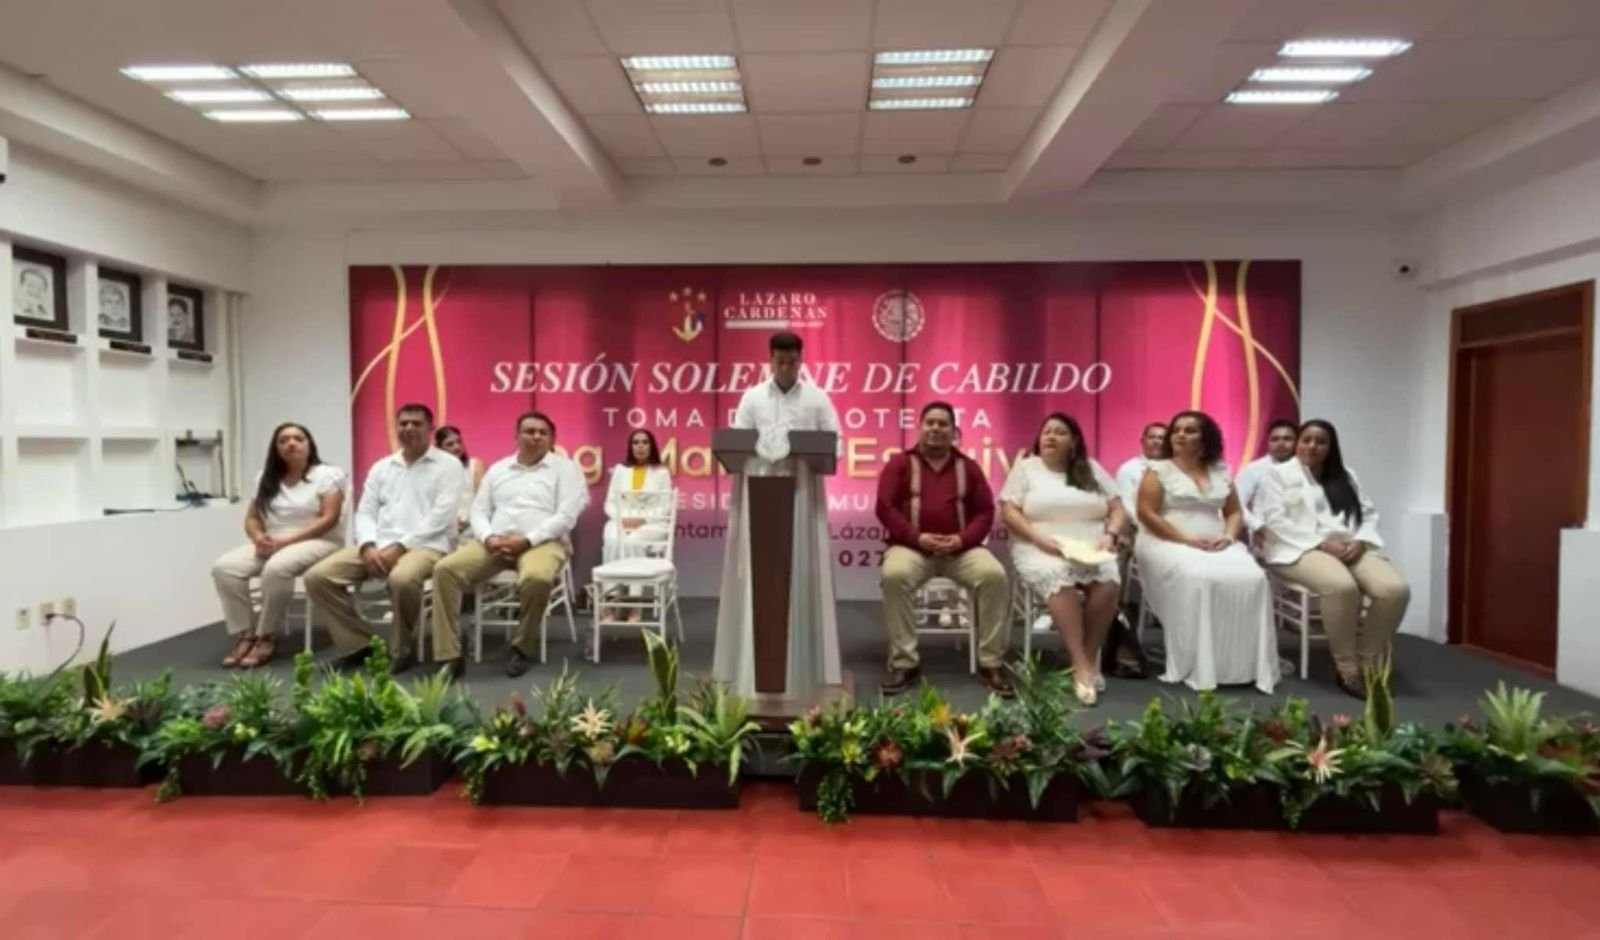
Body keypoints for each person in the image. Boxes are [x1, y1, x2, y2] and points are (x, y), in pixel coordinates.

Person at [714, 331, 842, 700]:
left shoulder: (817, 399)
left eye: (792, 361)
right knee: (758, 575)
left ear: (801, 361)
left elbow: (836, 442)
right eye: (779, 361)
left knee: (798, 570)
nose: (785, 367)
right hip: (758, 494)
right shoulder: (752, 397)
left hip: (800, 497)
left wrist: (805, 449)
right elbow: (737, 441)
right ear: (770, 360)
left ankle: (802, 666)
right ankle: (752, 667)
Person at [304, 403, 464, 674]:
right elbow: (366, 511)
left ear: (430, 428)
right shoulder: (382, 467)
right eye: (403, 423)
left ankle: (402, 650)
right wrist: (367, 545)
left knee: (402, 579)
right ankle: (361, 643)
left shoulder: (448, 466)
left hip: (429, 544)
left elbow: (440, 516)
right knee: (318, 577)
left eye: (416, 423)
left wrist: (400, 547)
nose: (409, 428)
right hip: (379, 544)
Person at [1257, 419, 1410, 698]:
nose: (1312, 446)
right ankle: (1347, 668)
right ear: (1297, 443)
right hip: (1298, 548)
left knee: (1394, 590)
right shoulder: (1276, 475)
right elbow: (1276, 521)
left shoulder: (1346, 475)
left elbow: (1368, 514)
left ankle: (1368, 661)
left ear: (1331, 447)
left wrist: (1360, 541)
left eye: (1321, 442)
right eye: (1306, 440)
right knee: (1341, 587)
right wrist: (1322, 544)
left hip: (1349, 546)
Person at [429, 411, 588, 678]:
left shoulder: (566, 470)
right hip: (496, 541)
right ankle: (449, 655)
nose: (536, 436)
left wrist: (526, 540)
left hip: (542, 542)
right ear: (516, 436)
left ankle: (522, 647)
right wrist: (489, 537)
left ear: (552, 439)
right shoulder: (499, 469)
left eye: (543, 432)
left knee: (537, 578)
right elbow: (479, 510)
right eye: (529, 431)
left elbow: (566, 516)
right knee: (445, 570)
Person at [1134, 411, 1277, 694]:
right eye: (1177, 430)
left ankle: (1244, 664)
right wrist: (1186, 539)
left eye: (1189, 431)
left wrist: (1228, 537)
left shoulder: (1220, 471)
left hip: (1216, 541)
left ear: (1205, 438)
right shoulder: (1157, 470)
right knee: (1199, 577)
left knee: (1255, 578)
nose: (1180, 435)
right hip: (1165, 540)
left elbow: (1234, 512)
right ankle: (1199, 662)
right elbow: (1146, 514)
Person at [876, 402, 1010, 697]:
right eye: (930, 423)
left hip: (960, 550)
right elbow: (884, 508)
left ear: (954, 431)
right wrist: (917, 538)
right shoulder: (899, 464)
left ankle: (991, 662)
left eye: (943, 424)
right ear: (920, 427)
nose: (936, 428)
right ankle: (905, 662)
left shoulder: (968, 467)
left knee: (994, 575)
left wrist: (962, 540)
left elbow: (985, 512)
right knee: (894, 576)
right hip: (912, 548)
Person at [1000, 413, 1126, 705]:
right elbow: (1008, 511)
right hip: (1041, 545)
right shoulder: (1026, 469)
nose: (1051, 437)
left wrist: (1110, 534)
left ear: (1074, 441)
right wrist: (1037, 538)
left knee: (1108, 582)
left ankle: (1087, 658)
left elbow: (1118, 509)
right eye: (1047, 432)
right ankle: (1081, 665)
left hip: (1091, 544)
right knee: (1061, 579)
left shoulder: (1090, 469)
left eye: (1060, 432)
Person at [211, 423, 345, 668]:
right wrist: (258, 537)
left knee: (276, 568)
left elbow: (329, 518)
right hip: (273, 541)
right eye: (283, 440)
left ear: (309, 444)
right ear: (275, 448)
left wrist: (286, 542)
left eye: (298, 439)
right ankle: (245, 635)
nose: (291, 444)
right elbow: (252, 518)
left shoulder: (327, 475)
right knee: (224, 568)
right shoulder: (266, 477)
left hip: (320, 541)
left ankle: (266, 635)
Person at [601, 428, 674, 621]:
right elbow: (609, 503)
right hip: (621, 520)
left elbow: (665, 506)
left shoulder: (661, 472)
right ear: (631, 447)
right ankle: (610, 600)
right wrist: (621, 519)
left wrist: (643, 520)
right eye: (636, 442)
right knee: (613, 540)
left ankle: (635, 603)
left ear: (651, 446)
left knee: (633, 541)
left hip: (652, 523)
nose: (640, 446)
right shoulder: (620, 470)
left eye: (644, 442)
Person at [1234, 419, 1299, 537]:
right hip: (1265, 536)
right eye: (1275, 439)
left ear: (1297, 442)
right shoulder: (1254, 469)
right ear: (1268, 442)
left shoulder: (1304, 468)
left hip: (1300, 535)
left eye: (1287, 439)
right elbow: (1236, 504)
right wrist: (1258, 526)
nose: (1281, 443)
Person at [435, 425, 486, 531]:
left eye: (459, 441)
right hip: (443, 528)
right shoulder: (434, 472)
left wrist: (468, 520)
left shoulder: (475, 465)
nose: (457, 447)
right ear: (439, 448)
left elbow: (483, 502)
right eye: (450, 444)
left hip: (473, 526)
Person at [1115, 422, 1168, 519]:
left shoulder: (1176, 468)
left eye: (1161, 438)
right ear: (1142, 441)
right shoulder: (1128, 469)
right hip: (1140, 524)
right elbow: (1126, 505)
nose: (1156, 441)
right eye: (1151, 437)